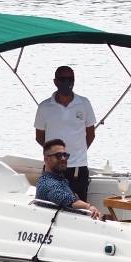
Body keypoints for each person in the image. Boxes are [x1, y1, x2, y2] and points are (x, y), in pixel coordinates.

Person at [34, 66, 96, 201]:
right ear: (55, 82)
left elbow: (91, 134)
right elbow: (39, 137)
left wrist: (77, 151)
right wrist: (55, 154)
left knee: (79, 209)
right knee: (49, 207)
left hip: (78, 169)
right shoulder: (44, 107)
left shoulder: (84, 103)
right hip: (52, 169)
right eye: (63, 79)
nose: (67, 82)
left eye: (70, 79)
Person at [35, 139, 101, 219]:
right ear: (46, 159)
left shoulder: (60, 179)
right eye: (58, 155)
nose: (63, 158)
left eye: (65, 155)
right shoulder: (48, 183)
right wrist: (89, 207)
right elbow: (67, 199)